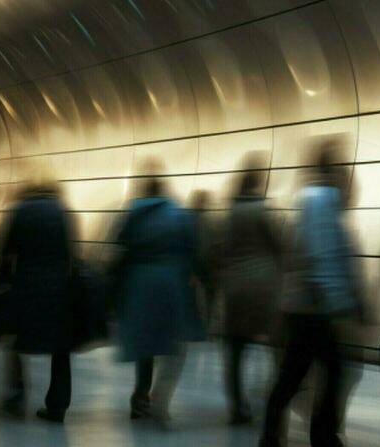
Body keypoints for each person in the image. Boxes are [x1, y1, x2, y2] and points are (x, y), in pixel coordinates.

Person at [257, 140, 365, 447]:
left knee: (299, 375)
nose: (349, 181)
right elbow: (322, 256)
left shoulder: (311, 200)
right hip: (312, 306)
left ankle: (299, 445)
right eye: (345, 171)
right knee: (317, 372)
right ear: (334, 170)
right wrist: (342, 300)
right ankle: (308, 446)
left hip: (304, 304)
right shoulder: (319, 200)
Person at [110, 171, 203, 428]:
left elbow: (119, 242)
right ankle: (160, 399)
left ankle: (140, 398)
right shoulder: (179, 214)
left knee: (146, 346)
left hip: (139, 285)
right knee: (174, 345)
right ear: (163, 189)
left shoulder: (133, 213)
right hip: (171, 285)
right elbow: (192, 249)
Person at [0, 181, 75, 421]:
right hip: (59, 288)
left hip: (27, 285)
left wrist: (1, 281)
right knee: (60, 348)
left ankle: (16, 395)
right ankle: (57, 406)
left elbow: (7, 252)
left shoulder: (20, 211)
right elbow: (70, 251)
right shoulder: (63, 212)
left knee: (14, 340)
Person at [213, 162, 280, 425]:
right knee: (272, 348)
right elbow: (277, 246)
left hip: (234, 289)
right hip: (262, 288)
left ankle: (237, 406)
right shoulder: (263, 211)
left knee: (235, 351)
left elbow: (219, 251)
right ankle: (265, 396)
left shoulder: (227, 214)